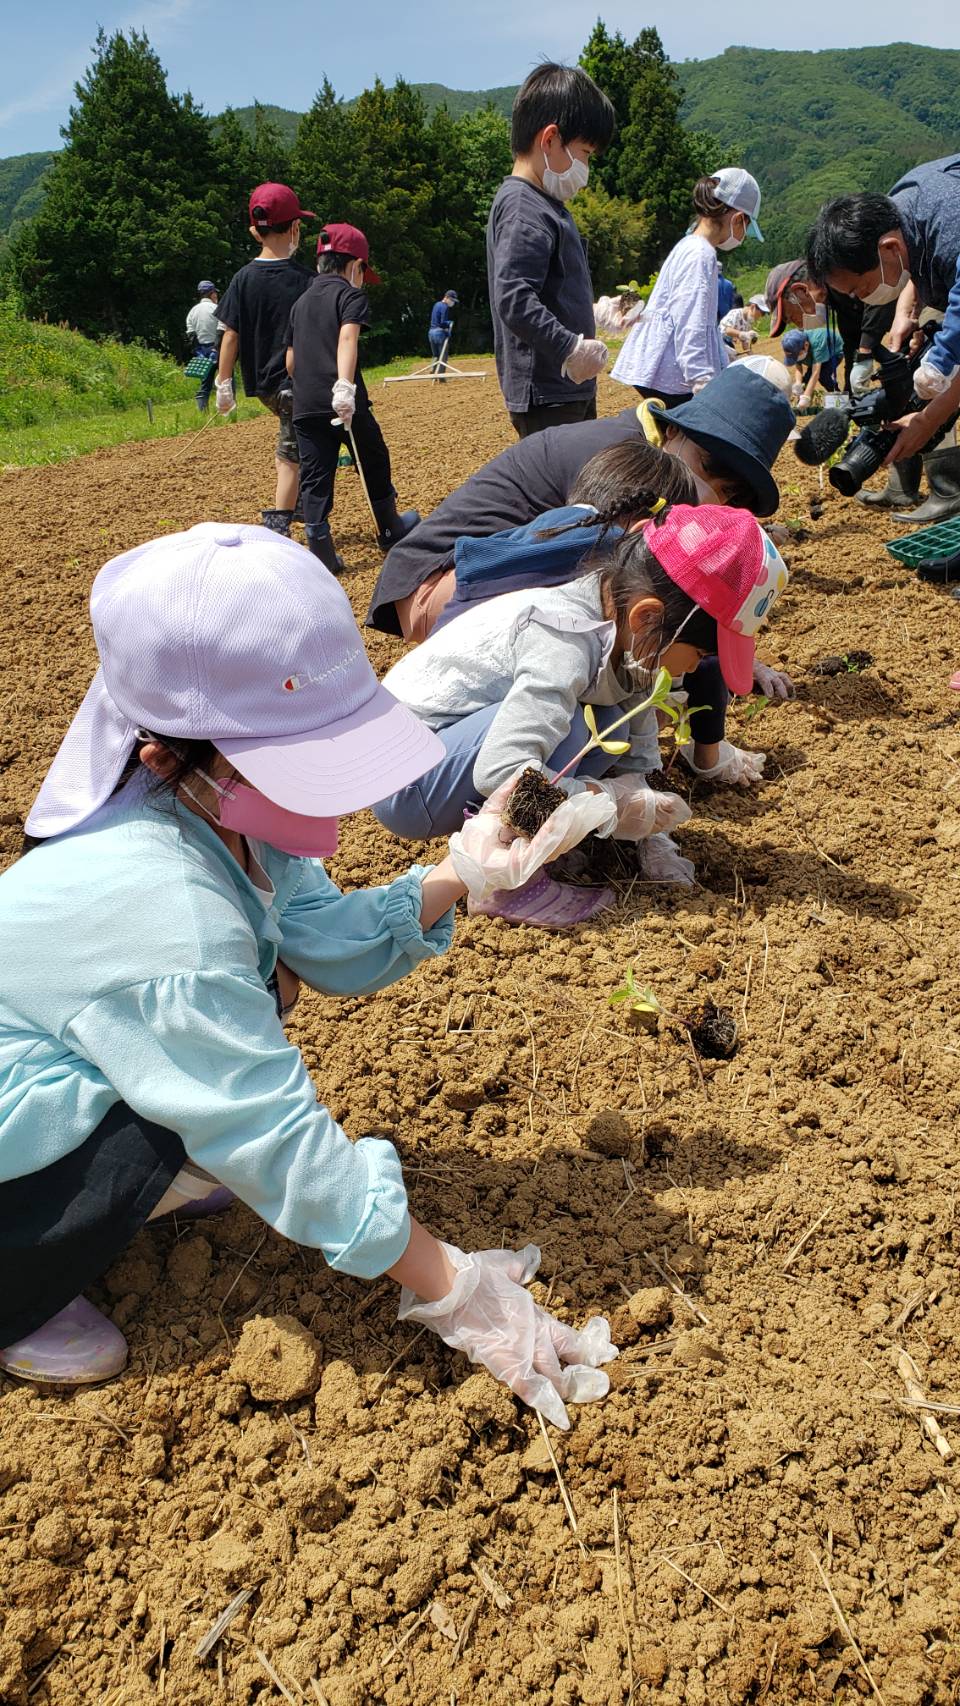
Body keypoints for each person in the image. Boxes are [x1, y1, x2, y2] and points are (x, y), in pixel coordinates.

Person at [0, 522, 617, 1423]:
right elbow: (271, 1131)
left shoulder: (215, 812)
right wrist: (453, 1284)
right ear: (169, 751)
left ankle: (134, 1179)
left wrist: (464, 874)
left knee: (226, 1032)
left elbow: (324, 939)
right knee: (184, 1104)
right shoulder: (160, 903)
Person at [374, 505, 789, 927]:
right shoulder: (566, 640)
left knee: (612, 723)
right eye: (699, 654)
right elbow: (503, 771)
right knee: (576, 729)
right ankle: (502, 879)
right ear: (648, 616)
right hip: (406, 779)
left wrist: (655, 834)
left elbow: (641, 752)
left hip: (455, 751)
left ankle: (538, 836)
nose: (689, 669)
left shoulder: (631, 633)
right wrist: (607, 805)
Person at [365, 362, 794, 643]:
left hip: (493, 580)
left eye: (729, 493)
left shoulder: (653, 457)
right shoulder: (624, 463)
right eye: (706, 465)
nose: (710, 493)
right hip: (444, 583)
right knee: (612, 615)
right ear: (678, 431)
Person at [806, 161, 960, 521]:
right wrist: (909, 314)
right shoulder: (901, 217)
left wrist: (936, 373)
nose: (861, 299)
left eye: (860, 288)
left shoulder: (948, 222)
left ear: (888, 249)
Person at [487, 62, 614, 438]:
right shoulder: (524, 207)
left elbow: (550, 289)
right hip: (548, 392)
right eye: (586, 152)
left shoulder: (543, 204)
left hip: (563, 387)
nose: (587, 167)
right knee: (561, 492)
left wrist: (592, 312)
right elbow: (513, 297)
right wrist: (569, 348)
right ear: (550, 139)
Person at [285, 223, 419, 573]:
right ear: (355, 266)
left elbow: (291, 360)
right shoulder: (350, 296)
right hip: (342, 401)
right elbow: (347, 339)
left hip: (305, 403)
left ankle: (320, 549)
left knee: (315, 473)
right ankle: (389, 527)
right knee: (372, 456)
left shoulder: (299, 303)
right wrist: (344, 386)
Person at [214, 183, 317, 536]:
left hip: (263, 385)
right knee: (289, 457)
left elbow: (230, 334)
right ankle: (278, 530)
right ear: (295, 228)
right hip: (295, 383)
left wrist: (223, 383)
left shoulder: (242, 279)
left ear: (254, 230)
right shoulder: (307, 280)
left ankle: (302, 503)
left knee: (300, 444)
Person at [611, 169, 763, 406]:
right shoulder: (701, 254)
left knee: (672, 439)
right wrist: (702, 381)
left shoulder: (690, 246)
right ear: (737, 219)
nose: (743, 236)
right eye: (746, 227)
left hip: (662, 367)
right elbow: (691, 320)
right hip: (671, 375)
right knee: (688, 440)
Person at [781, 324, 844, 406]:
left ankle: (838, 398)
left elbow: (816, 373)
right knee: (805, 380)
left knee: (823, 376)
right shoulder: (795, 345)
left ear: (806, 345)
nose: (796, 358)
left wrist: (806, 397)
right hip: (815, 355)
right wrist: (798, 383)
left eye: (797, 355)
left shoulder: (817, 342)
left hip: (834, 353)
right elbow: (798, 368)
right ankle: (800, 402)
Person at [185, 280, 220, 413]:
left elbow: (191, 335)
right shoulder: (216, 308)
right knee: (226, 381)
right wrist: (216, 348)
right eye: (215, 293)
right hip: (218, 348)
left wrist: (198, 351)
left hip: (202, 350)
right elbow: (222, 330)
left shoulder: (192, 311)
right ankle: (229, 412)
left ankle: (202, 412)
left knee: (205, 383)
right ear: (212, 294)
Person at [429, 289, 458, 377]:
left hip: (431, 332)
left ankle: (433, 371)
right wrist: (449, 323)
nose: (452, 303)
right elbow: (442, 323)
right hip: (439, 333)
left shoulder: (436, 304)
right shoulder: (444, 307)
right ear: (446, 297)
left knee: (436, 355)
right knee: (443, 356)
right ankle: (441, 377)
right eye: (452, 300)